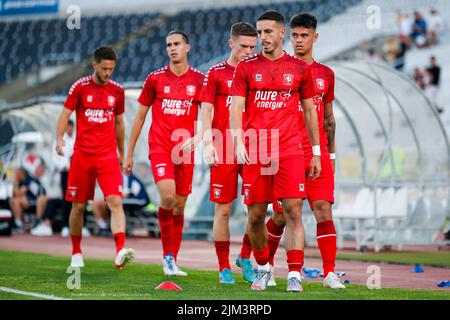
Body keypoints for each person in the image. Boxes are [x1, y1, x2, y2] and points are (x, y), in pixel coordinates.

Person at [229, 10, 321, 292]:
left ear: (282, 33)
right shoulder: (245, 68)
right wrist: (237, 141)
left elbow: (309, 110)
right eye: (259, 32)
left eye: (268, 32)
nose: (263, 37)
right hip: (256, 150)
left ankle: (295, 273)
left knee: (293, 210)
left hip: (290, 148)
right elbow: (235, 108)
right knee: (255, 215)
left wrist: (315, 150)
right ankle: (263, 267)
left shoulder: (299, 69)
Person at [263, 12, 345, 290]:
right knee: (283, 215)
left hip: (316, 154)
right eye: (295, 35)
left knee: (323, 210)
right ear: (289, 36)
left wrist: (329, 157)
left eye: (304, 36)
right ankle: (266, 267)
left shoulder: (326, 75)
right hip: (287, 153)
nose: (299, 41)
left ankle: (330, 273)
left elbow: (329, 120)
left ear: (315, 37)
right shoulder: (280, 70)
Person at [124, 31, 204, 277]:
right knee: (168, 197)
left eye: (177, 44)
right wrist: (128, 153)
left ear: (187, 47)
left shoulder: (200, 80)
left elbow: (209, 116)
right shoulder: (155, 79)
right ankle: (167, 257)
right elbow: (139, 117)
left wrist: (198, 137)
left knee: (179, 207)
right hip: (160, 148)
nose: (172, 48)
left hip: (185, 152)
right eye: (169, 45)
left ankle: (172, 259)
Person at [55, 46, 135, 269]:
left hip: (107, 156)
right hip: (82, 156)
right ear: (95, 65)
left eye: (111, 68)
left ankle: (120, 250)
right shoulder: (80, 87)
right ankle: (76, 251)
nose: (108, 72)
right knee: (79, 206)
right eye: (104, 68)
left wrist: (122, 153)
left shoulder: (117, 91)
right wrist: (59, 138)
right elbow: (65, 114)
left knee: (115, 201)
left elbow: (119, 124)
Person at [199, 22, 257, 284]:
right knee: (222, 210)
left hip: (254, 145)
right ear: (230, 43)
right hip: (223, 146)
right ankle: (223, 266)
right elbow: (207, 110)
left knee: (256, 209)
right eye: (243, 46)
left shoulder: (258, 72)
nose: (248, 51)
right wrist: (208, 142)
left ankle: (245, 256)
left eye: (252, 47)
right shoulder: (216, 73)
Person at [9, 166, 47, 233]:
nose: (16, 176)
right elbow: (13, 195)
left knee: (15, 201)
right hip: (27, 201)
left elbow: (19, 194)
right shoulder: (21, 182)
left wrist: (15, 184)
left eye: (17, 174)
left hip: (35, 201)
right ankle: (18, 222)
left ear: (21, 174)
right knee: (13, 201)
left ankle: (19, 223)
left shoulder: (28, 180)